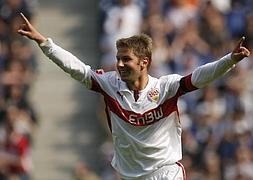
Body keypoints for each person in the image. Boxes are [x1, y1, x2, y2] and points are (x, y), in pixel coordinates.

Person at [17, 13, 251, 180]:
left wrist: (229, 60)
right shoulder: (110, 84)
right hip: (130, 176)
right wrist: (44, 43)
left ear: (144, 62)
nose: (119, 64)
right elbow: (76, 68)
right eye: (118, 58)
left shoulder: (166, 88)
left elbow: (200, 77)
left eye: (126, 59)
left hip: (166, 172)